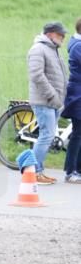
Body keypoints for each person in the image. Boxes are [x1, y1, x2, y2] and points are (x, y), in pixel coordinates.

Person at [27, 21, 69, 185]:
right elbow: (37, 76)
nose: (63, 38)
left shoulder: (53, 49)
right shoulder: (38, 49)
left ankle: (39, 171)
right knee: (46, 136)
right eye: (61, 35)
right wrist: (53, 96)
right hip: (45, 101)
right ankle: (34, 173)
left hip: (54, 101)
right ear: (50, 34)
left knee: (47, 135)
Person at [62, 18, 81, 184]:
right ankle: (70, 171)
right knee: (78, 134)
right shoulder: (77, 46)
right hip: (77, 95)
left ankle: (78, 170)